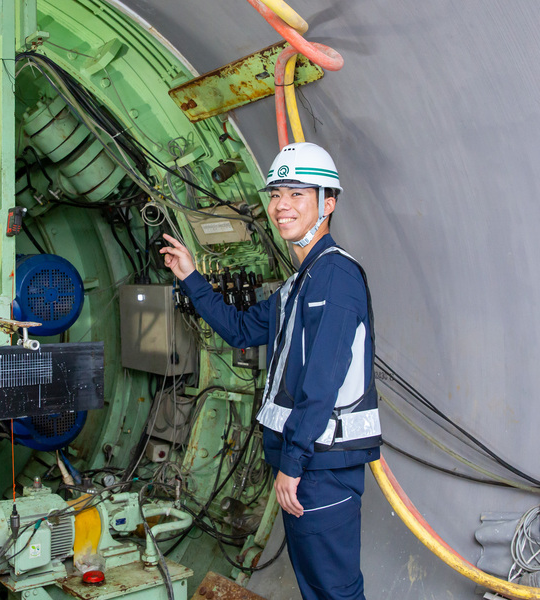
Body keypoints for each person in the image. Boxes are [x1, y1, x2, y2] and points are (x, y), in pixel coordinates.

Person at [160, 142, 381, 600]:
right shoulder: (296, 286)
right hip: (305, 465)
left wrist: (294, 464)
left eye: (298, 194)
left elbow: (321, 382)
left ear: (328, 203)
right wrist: (190, 276)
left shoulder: (337, 277)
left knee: (334, 590)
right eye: (277, 193)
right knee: (318, 588)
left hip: (322, 467)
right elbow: (241, 330)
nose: (282, 205)